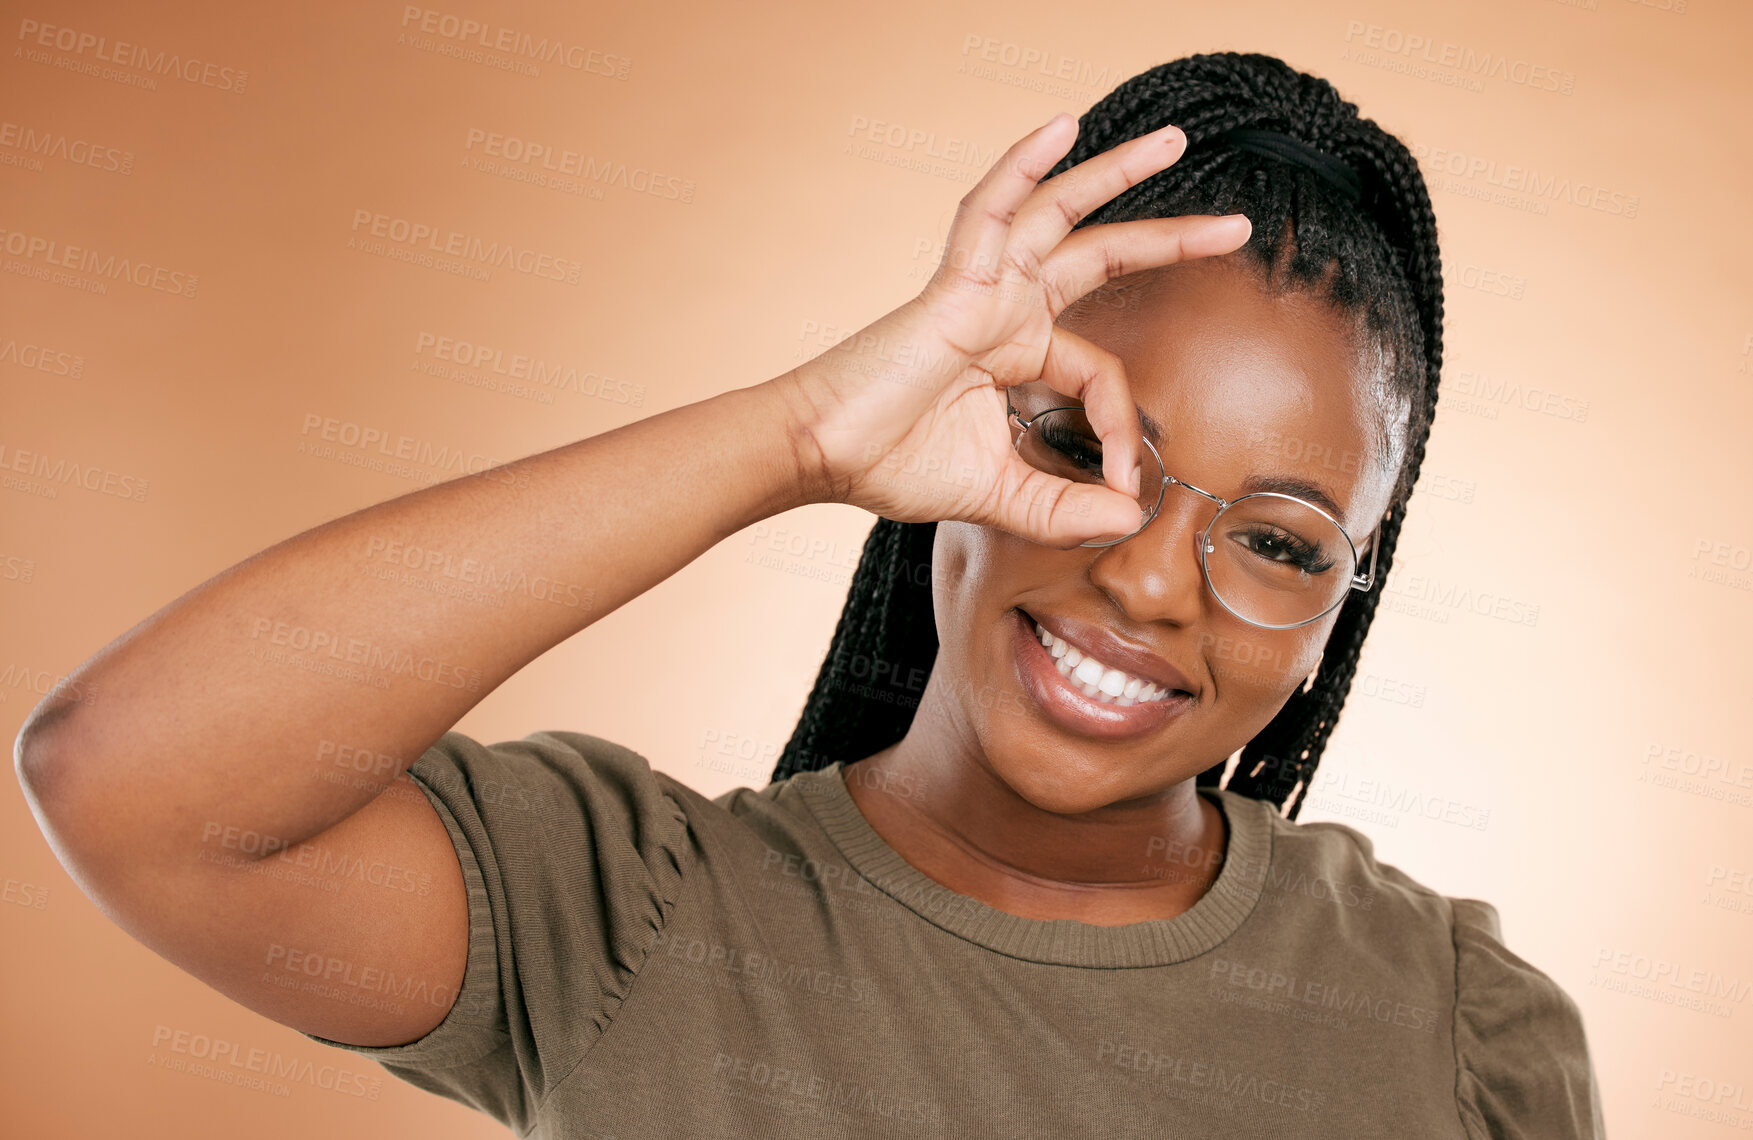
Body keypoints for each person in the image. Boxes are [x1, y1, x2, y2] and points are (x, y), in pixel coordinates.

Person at [14, 51, 1605, 1138]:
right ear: (972, 429)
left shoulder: (1454, 1027)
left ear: (1351, 592)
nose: (1142, 574)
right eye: (1080, 442)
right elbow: (128, 779)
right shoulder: (626, 916)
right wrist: (796, 439)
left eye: (1275, 537)